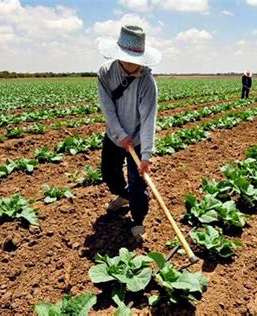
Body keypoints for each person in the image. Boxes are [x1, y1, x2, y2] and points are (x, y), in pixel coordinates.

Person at [97, 25, 161, 241]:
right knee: (109, 173)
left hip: (138, 139)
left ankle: (138, 220)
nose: (133, 64)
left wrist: (146, 157)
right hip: (115, 137)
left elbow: (148, 119)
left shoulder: (146, 82)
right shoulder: (105, 73)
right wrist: (120, 135)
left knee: (138, 181)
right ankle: (124, 196)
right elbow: (108, 109)